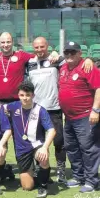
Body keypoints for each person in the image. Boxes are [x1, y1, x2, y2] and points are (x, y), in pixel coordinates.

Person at [26, 37, 94, 184]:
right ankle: (41, 168)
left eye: (42, 47)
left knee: (59, 141)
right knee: (37, 141)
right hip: (36, 109)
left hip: (54, 108)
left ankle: (61, 170)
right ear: (33, 48)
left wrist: (89, 58)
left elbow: (76, 60)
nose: (39, 50)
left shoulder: (58, 60)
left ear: (47, 46)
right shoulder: (30, 62)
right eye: (36, 47)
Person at [59, 41, 100, 193]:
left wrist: (96, 110)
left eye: (73, 52)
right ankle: (78, 176)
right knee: (72, 148)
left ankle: (91, 181)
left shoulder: (87, 67)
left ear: (79, 53)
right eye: (67, 52)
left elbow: (98, 88)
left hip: (85, 117)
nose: (69, 55)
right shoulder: (63, 67)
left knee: (89, 149)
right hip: (69, 118)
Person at [5, 81, 56, 198]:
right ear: (18, 95)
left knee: (43, 157)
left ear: (33, 95)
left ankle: (43, 185)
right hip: (22, 148)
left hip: (37, 145)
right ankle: (41, 174)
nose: (25, 98)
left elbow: (52, 131)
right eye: (22, 95)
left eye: (28, 95)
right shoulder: (12, 106)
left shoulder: (40, 110)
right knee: (27, 186)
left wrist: (44, 147)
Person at [0, 32, 35, 104]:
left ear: (12, 42)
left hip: (17, 101)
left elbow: (39, 56)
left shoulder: (21, 55)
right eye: (3, 42)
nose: (5, 45)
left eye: (8, 42)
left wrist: (53, 54)